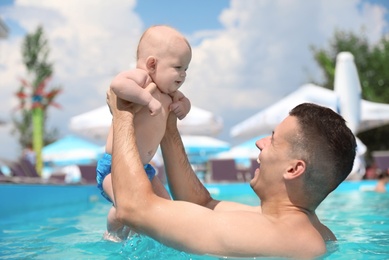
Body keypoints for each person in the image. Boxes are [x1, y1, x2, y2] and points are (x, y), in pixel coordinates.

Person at [107, 87, 357, 258]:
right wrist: (169, 126)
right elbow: (201, 203)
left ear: (293, 169)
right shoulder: (288, 226)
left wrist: (122, 115)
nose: (260, 142)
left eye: (273, 139)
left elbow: (133, 208)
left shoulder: (285, 239)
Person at [96, 25, 192, 242]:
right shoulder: (143, 79)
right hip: (114, 167)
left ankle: (137, 236)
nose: (183, 74)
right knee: (126, 206)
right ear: (152, 64)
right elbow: (117, 84)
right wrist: (147, 99)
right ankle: (112, 232)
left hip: (144, 169)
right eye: (178, 67)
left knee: (167, 208)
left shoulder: (170, 93)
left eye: (187, 68)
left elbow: (185, 102)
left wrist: (183, 107)